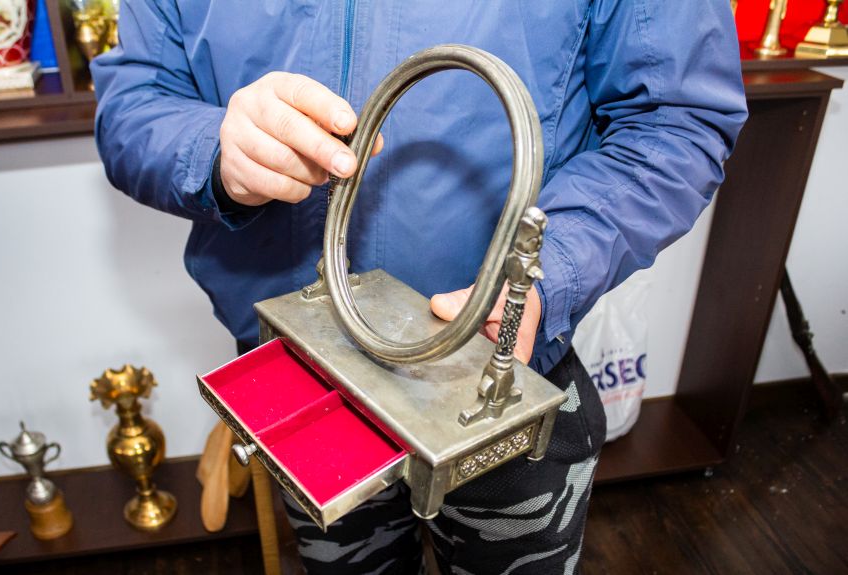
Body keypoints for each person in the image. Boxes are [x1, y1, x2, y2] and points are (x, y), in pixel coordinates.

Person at [92, 1, 747, 573]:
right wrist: (213, 149)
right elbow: (132, 105)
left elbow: (678, 118)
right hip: (303, 381)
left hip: (498, 386)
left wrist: (549, 267)